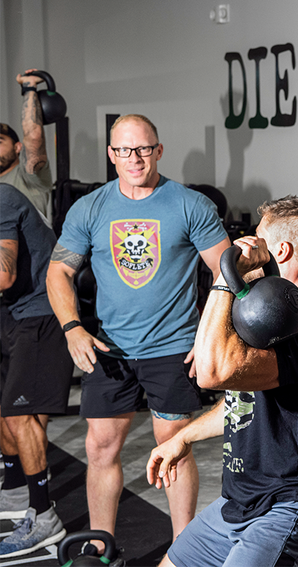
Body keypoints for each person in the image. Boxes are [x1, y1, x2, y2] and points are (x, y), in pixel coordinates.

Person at [45, 114, 230, 543]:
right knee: (100, 447)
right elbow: (58, 273)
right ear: (112, 155)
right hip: (110, 348)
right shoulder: (90, 208)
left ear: (159, 150)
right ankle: (99, 543)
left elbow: (228, 275)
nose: (135, 158)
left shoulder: (189, 204)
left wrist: (209, 337)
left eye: (144, 148)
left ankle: (183, 547)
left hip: (172, 347)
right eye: (125, 150)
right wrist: (73, 328)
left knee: (174, 447)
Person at [146, 196, 298, 567]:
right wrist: (182, 437)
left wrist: (229, 274)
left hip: (292, 505)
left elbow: (212, 373)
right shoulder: (265, 318)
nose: (249, 246)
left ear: (280, 250)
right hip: (239, 502)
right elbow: (241, 401)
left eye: (258, 239)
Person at [0, 185, 73, 557]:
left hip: (41, 310)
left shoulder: (2, 199)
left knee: (19, 412)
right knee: (3, 407)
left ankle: (44, 515)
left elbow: (3, 276)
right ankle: (14, 489)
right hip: (11, 313)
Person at [0, 69, 54, 223]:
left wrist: (29, 88)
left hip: (27, 247)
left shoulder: (29, 176)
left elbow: (33, 137)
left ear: (17, 147)